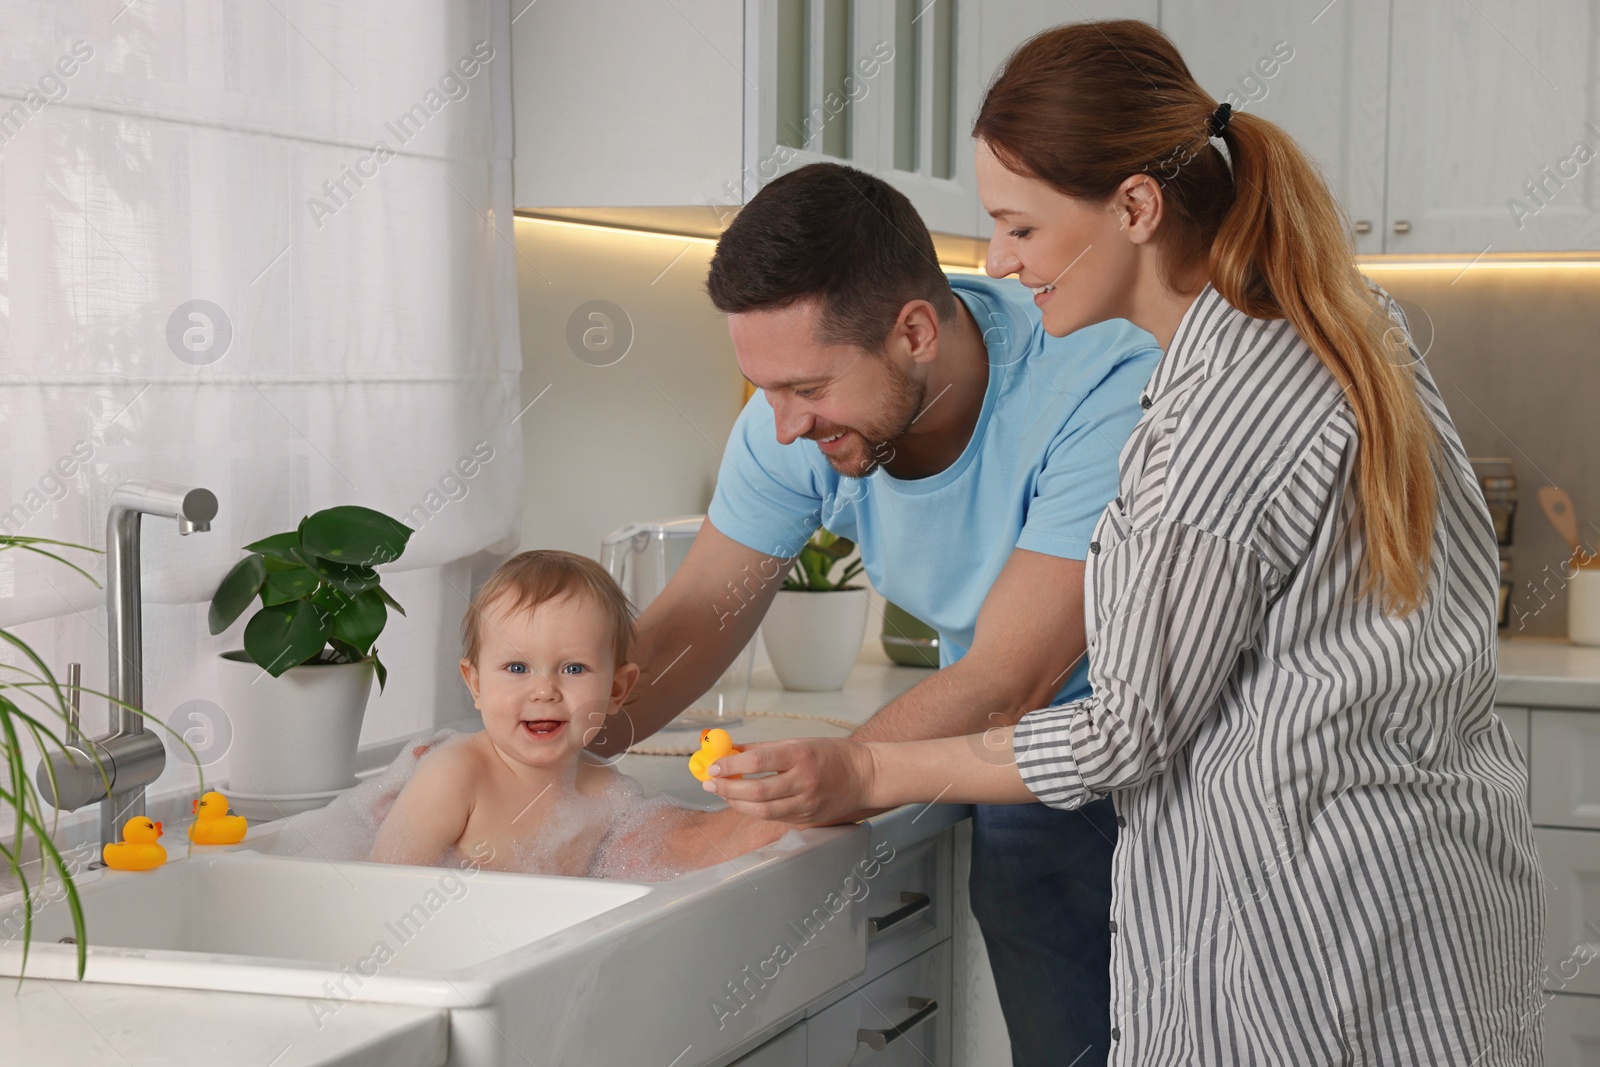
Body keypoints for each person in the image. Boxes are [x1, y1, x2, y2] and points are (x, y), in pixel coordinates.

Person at [702, 21, 1545, 1066]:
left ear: (1136, 209)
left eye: (1018, 227)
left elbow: (1119, 733)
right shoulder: (1328, 321)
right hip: (1418, 887)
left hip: (1308, 931)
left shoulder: (1215, 414)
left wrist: (867, 769)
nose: (998, 262)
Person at [594, 161, 1159, 1064]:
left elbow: (1011, 678)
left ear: (914, 332)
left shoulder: (1100, 383)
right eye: (765, 390)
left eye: (807, 391)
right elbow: (700, 611)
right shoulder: (798, 417)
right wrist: (550, 739)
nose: (782, 425)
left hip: (1130, 747)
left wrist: (770, 813)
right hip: (1000, 724)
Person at [370, 550, 785, 875]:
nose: (545, 690)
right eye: (517, 668)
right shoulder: (454, 776)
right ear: (475, 683)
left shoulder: (606, 792)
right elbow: (382, 891)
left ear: (616, 690)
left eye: (573, 668)